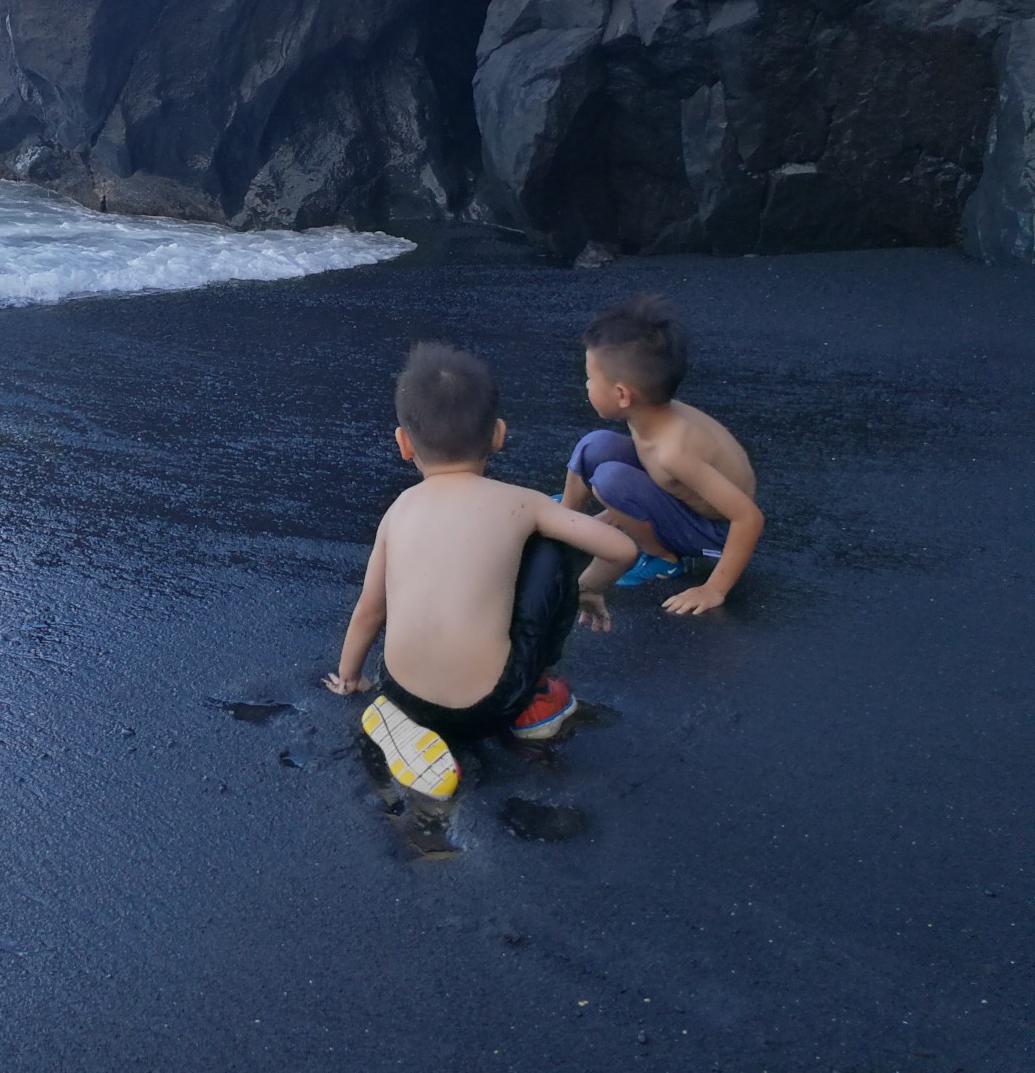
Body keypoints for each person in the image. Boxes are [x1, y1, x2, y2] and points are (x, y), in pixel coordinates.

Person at [323, 343, 638, 800]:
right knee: (551, 544)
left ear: (404, 443)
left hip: (401, 689)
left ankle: (402, 721)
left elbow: (369, 611)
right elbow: (622, 549)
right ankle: (535, 704)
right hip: (494, 704)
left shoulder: (397, 511)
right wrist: (589, 589)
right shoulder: (522, 502)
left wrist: (350, 678)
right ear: (498, 435)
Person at [564, 295, 764, 627]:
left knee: (611, 481)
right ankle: (565, 520)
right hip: (675, 496)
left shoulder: (674, 452)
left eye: (590, 378)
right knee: (594, 446)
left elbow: (748, 517)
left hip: (710, 531)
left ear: (622, 395)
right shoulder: (652, 411)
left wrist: (714, 589)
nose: (585, 385)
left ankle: (663, 557)